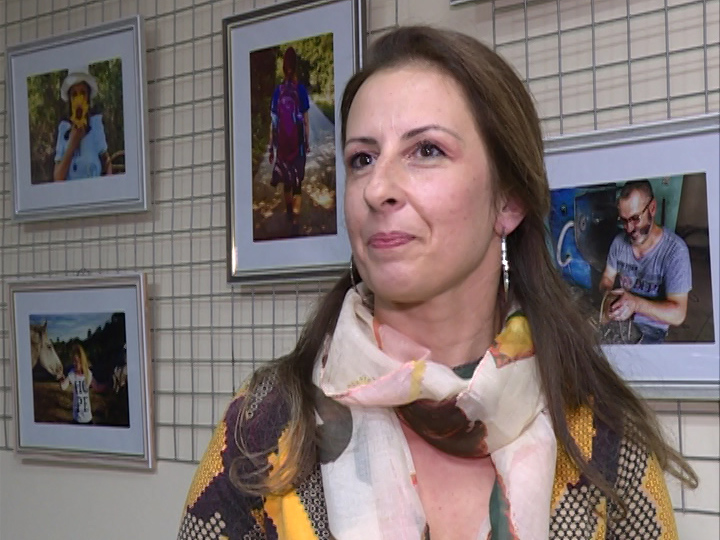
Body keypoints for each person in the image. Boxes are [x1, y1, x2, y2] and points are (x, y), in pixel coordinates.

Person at [178, 26, 697, 539]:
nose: (377, 188)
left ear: (508, 201)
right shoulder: (264, 427)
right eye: (362, 159)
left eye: (426, 150)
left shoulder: (602, 442)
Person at [599, 180, 692, 344]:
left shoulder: (675, 251)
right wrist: (608, 297)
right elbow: (607, 278)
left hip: (652, 328)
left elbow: (678, 315)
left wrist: (636, 304)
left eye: (635, 218)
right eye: (624, 220)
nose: (629, 228)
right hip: (622, 320)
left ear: (652, 208)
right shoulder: (619, 242)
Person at [268, 46, 310, 225]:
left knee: (287, 183)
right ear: (296, 66)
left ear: (283, 67)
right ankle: (296, 223)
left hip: (283, 146)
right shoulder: (301, 90)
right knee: (297, 184)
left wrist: (271, 148)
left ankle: (289, 213)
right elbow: (305, 121)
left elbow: (274, 122)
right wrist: (306, 142)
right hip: (298, 146)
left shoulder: (278, 92)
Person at [53, 66, 112, 181]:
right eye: (74, 94)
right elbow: (57, 177)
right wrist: (73, 143)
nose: (79, 99)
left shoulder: (95, 125)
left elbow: (107, 162)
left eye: (83, 93)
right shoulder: (64, 129)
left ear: (88, 98)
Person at [59, 343, 96, 424]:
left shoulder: (88, 374)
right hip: (76, 419)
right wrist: (61, 379)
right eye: (73, 361)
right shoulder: (72, 374)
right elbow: (64, 386)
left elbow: (96, 386)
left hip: (88, 419)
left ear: (82, 361)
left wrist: (108, 386)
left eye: (76, 361)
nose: (74, 364)